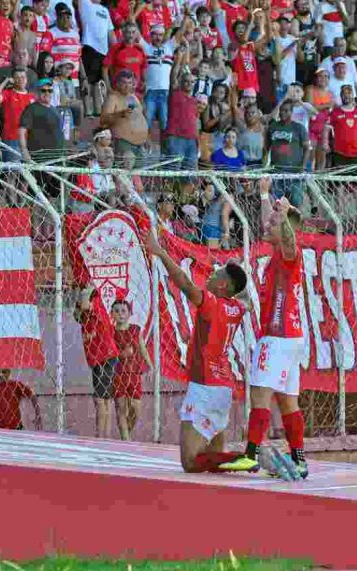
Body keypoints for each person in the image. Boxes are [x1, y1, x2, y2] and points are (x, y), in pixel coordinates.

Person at [219, 179, 308, 478]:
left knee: (260, 394)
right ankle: (299, 460)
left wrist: (283, 216)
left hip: (278, 337)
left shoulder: (289, 253)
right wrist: (265, 194)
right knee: (287, 400)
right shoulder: (279, 255)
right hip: (291, 339)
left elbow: (288, 237)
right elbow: (271, 224)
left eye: (274, 223)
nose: (266, 225)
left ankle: (250, 455)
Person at [144, 226, 251, 474]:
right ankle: (234, 459)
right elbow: (245, 298)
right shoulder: (237, 308)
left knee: (190, 462)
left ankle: (244, 457)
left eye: (216, 275)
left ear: (223, 286)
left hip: (204, 385)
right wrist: (235, 273)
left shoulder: (212, 303)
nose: (211, 276)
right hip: (224, 386)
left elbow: (184, 283)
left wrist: (160, 252)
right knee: (211, 458)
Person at [72, 284, 119, 438]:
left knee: (101, 399)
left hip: (105, 355)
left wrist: (84, 300)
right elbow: (77, 316)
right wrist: (79, 304)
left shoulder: (98, 301)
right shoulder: (86, 311)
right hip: (97, 357)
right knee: (104, 399)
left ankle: (101, 436)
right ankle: (104, 436)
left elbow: (88, 306)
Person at [111, 299, 152, 440]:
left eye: (123, 311)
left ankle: (126, 431)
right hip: (117, 374)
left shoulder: (135, 330)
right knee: (121, 409)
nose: (120, 314)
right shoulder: (111, 333)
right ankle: (126, 441)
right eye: (116, 311)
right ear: (112, 314)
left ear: (129, 313)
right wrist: (122, 354)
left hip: (134, 373)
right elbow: (110, 354)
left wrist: (150, 365)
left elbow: (142, 348)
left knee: (136, 408)